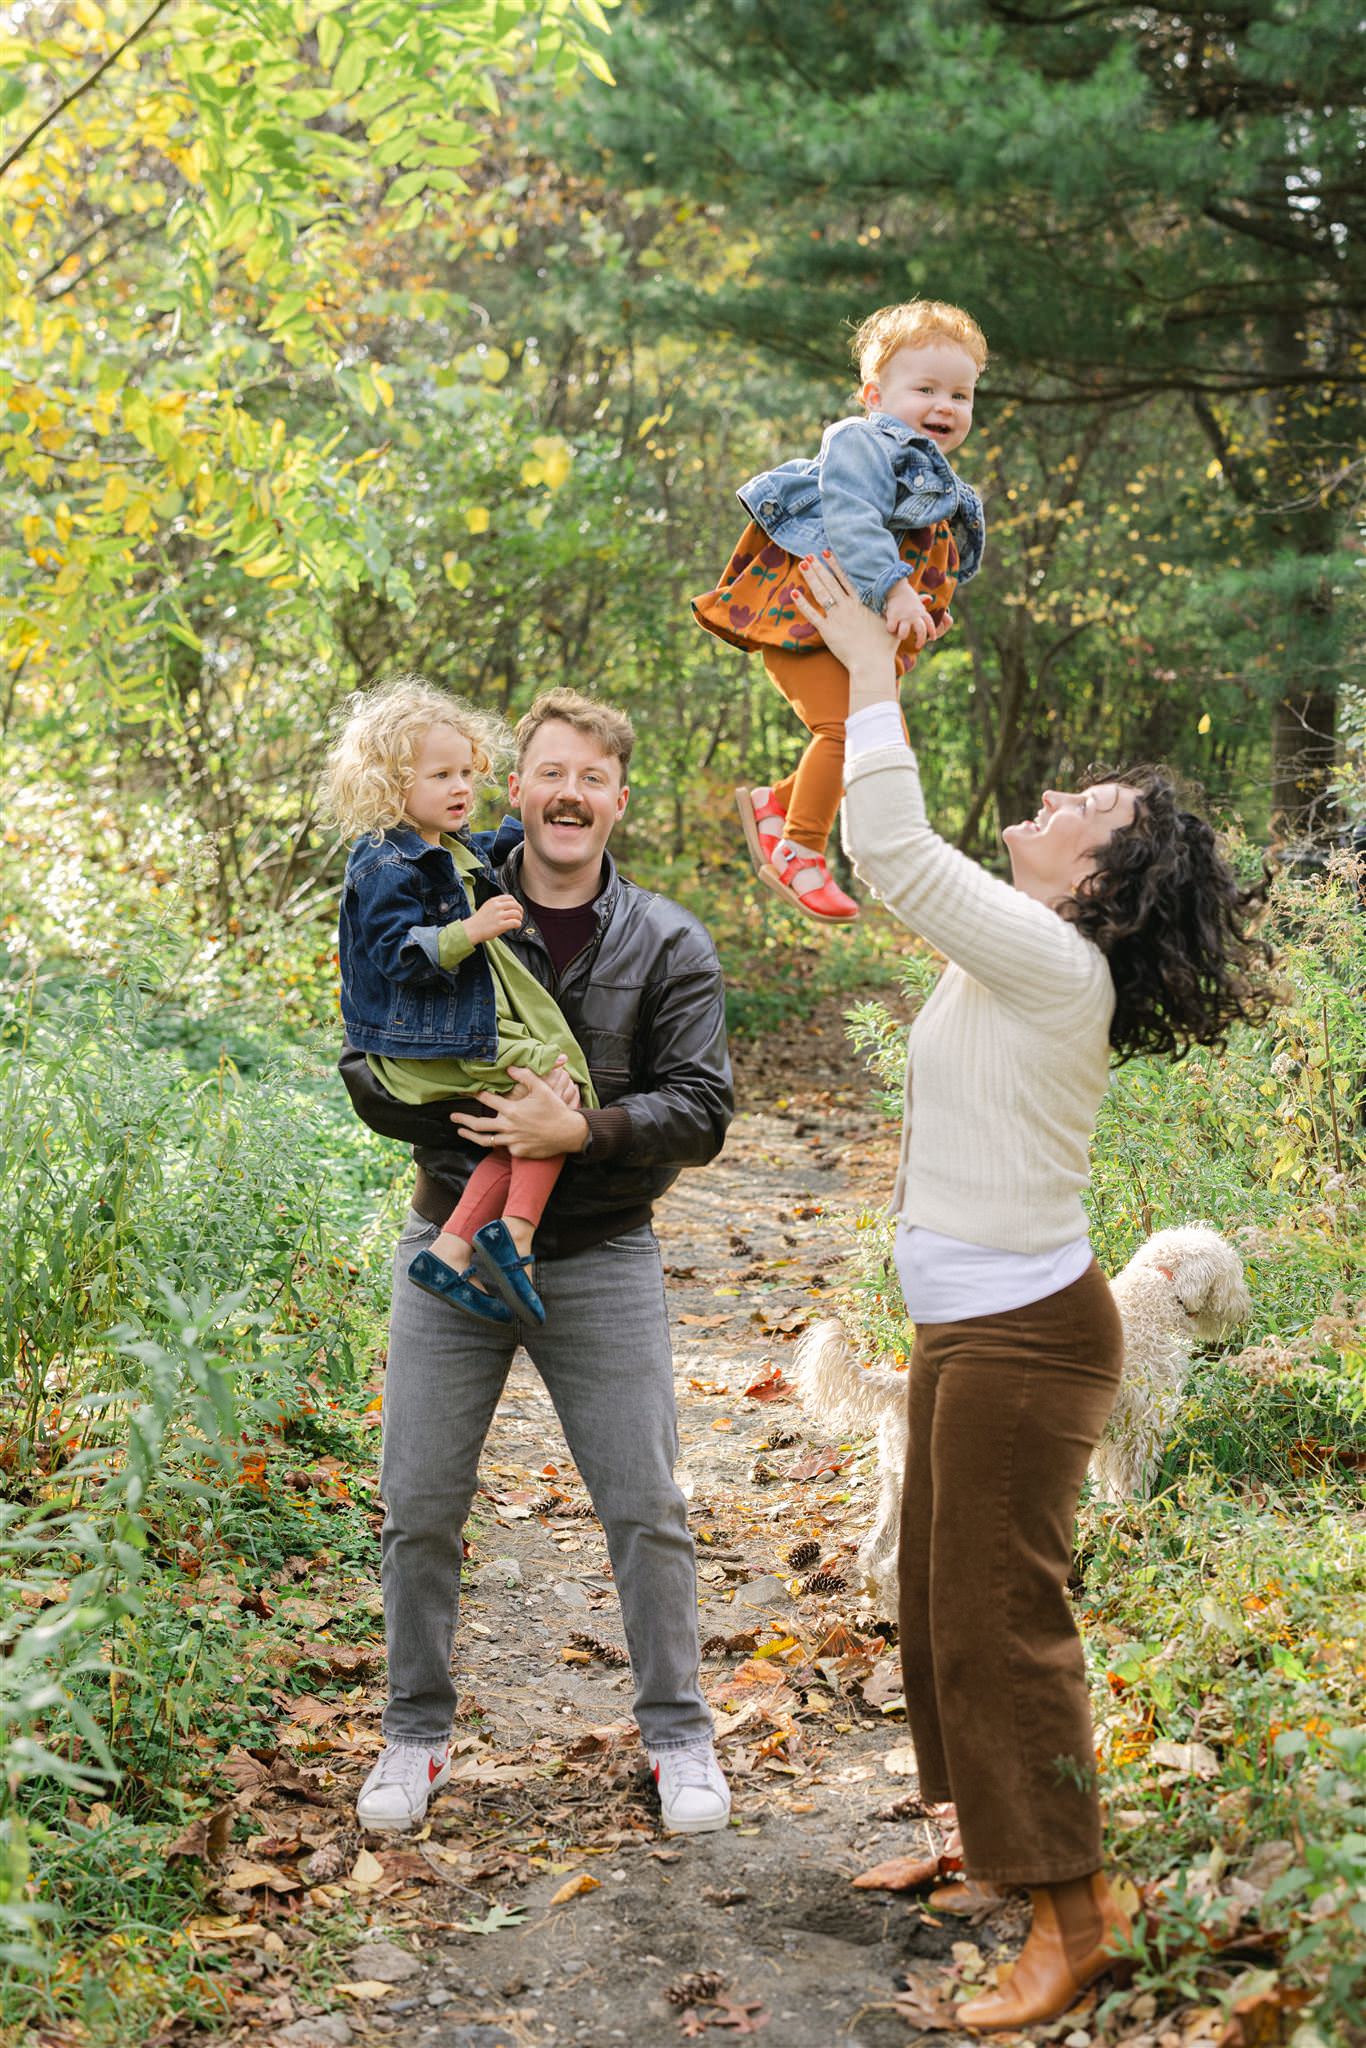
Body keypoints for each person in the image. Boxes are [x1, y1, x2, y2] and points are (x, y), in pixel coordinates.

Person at [796, 551, 1272, 2029]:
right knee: (941, 1605)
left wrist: (872, 676)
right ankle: (981, 1852)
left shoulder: (1057, 968)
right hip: (972, 1327)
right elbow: (874, 848)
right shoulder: (1018, 957)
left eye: (1088, 813)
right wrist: (871, 675)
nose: (1059, 798)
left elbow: (890, 847)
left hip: (1021, 1339)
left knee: (1006, 1622)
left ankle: (1076, 1916)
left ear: (1099, 882)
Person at [337, 687, 736, 1839]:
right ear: (518, 785)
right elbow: (365, 1054)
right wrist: (471, 1111)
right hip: (446, 1240)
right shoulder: (426, 886)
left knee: (648, 1503)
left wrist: (581, 1132)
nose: (568, 794)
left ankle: (678, 1734)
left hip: (601, 1254)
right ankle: (414, 1730)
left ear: (617, 797)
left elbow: (703, 1109)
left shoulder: (667, 939)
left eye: (591, 777)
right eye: (548, 772)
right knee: (416, 1500)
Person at [692, 299, 987, 925]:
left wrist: (925, 612)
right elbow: (853, 520)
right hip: (806, 617)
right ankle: (801, 850)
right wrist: (898, 590)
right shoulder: (862, 441)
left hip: (852, 630)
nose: (945, 406)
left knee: (882, 744)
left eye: (960, 395)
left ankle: (777, 805)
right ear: (875, 395)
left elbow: (922, 553)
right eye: (926, 389)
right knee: (849, 733)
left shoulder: (933, 477)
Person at [326, 678, 597, 1327]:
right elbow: (395, 953)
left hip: (445, 1033)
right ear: (392, 786)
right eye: (439, 775)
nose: (459, 789)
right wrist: (468, 931)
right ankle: (518, 1240)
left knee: (539, 1103)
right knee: (555, 1088)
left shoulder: (443, 846)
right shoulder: (383, 864)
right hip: (418, 1041)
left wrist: (538, 798)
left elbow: (490, 850)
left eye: (465, 773)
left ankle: (449, 1252)